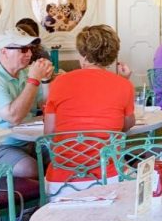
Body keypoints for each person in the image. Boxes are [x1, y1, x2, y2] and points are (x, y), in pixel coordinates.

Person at [42, 25, 134, 192]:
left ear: (83, 54)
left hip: (61, 181)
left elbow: (49, 133)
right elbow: (126, 125)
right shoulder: (124, 85)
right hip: (109, 178)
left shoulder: (59, 83)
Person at [0, 30, 55, 179]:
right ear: (4, 51)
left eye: (30, 49)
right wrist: (34, 80)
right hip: (3, 145)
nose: (29, 54)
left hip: (33, 141)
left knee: (66, 155)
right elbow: (13, 117)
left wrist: (46, 80)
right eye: (23, 49)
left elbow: (46, 105)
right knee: (30, 169)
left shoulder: (25, 73)